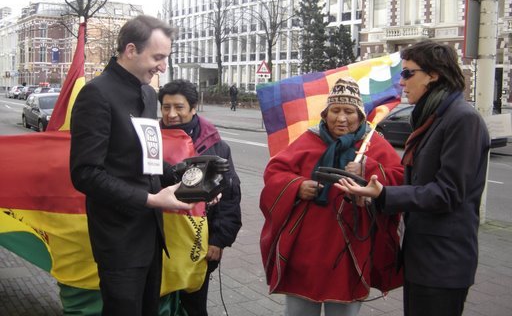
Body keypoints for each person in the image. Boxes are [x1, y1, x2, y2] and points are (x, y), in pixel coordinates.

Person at [337, 40, 490, 316]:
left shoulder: (462, 119)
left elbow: (448, 192)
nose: (401, 82)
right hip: (423, 257)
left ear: (434, 74)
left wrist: (384, 194)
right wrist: (374, 193)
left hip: (443, 262)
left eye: (408, 73)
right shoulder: (432, 117)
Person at [70, 15, 196, 316]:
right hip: (118, 239)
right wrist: (150, 199)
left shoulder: (147, 93)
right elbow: (85, 174)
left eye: (165, 58)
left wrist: (193, 180)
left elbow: (147, 157)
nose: (162, 67)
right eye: (158, 57)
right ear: (130, 50)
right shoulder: (96, 94)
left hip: (150, 234)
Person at [259, 77, 404, 316]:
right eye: (335, 110)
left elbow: (400, 178)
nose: (341, 118)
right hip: (306, 249)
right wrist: (298, 185)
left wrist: (368, 168)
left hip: (351, 250)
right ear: (325, 114)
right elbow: (274, 172)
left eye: (349, 111)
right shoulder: (308, 140)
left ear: (360, 115)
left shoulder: (372, 144)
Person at [158, 79, 242, 316]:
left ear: (193, 108)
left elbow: (230, 196)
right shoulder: (150, 140)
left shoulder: (215, 146)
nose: (171, 114)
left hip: (197, 242)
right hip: (158, 240)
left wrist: (219, 239)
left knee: (193, 306)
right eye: (166, 107)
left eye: (178, 107)